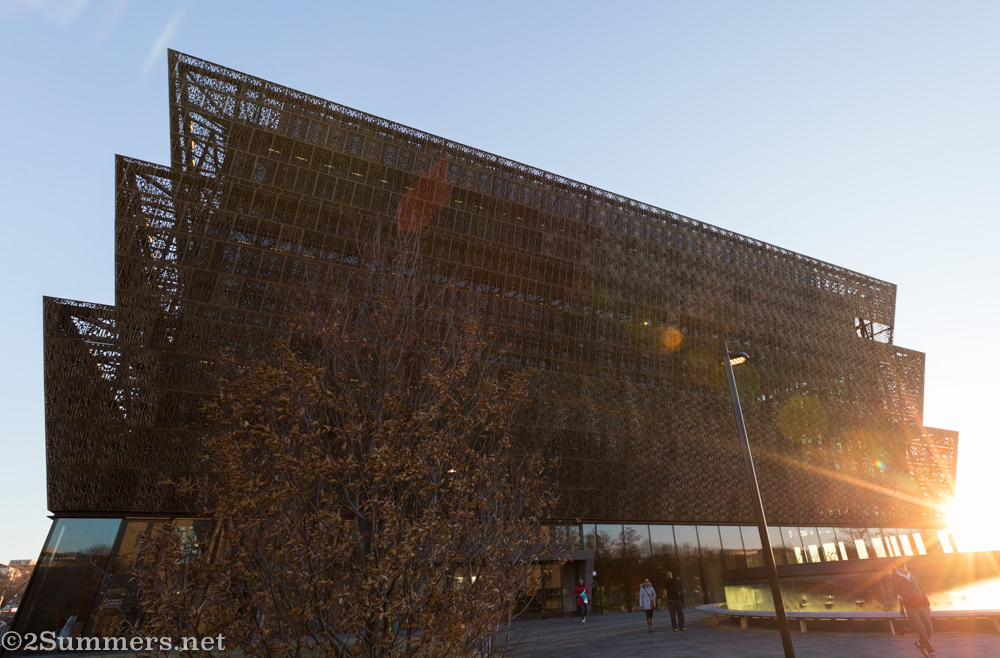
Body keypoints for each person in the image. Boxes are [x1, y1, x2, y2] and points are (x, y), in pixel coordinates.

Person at [892, 562, 936, 657]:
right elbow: (894, 591)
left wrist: (927, 604)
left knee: (929, 629)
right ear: (898, 569)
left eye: (904, 567)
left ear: (905, 567)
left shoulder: (911, 575)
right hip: (911, 608)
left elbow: (921, 589)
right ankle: (931, 652)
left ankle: (920, 644)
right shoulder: (895, 578)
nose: (903, 569)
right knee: (922, 630)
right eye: (901, 568)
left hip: (921, 606)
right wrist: (898, 596)